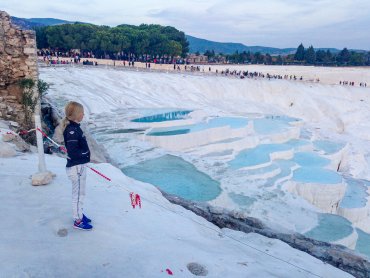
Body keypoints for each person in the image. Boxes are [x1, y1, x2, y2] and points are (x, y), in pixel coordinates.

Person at [62, 101, 92, 231]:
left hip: (79, 166)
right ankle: (77, 220)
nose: (83, 114)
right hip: (76, 167)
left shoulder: (75, 127)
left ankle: (79, 213)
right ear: (75, 115)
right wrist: (85, 153)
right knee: (78, 194)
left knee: (81, 193)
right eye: (81, 113)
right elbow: (73, 152)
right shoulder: (72, 131)